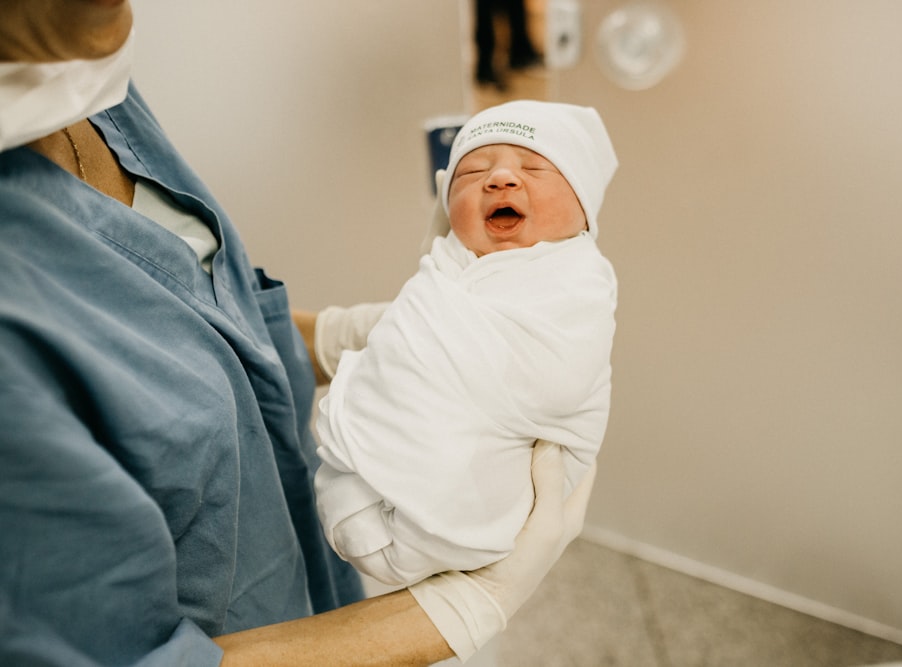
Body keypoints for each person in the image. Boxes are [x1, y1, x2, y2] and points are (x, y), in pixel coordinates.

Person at [0, 2, 595, 665]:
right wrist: (455, 611)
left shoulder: (78, 77)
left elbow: (189, 318)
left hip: (305, 578)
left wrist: (339, 336)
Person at [314, 100, 618, 587]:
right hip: (367, 480)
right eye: (472, 171)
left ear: (583, 210)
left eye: (533, 167)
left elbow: (557, 380)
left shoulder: (578, 279)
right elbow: (400, 350)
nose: (499, 179)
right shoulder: (446, 262)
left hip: (470, 498)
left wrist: (447, 356)